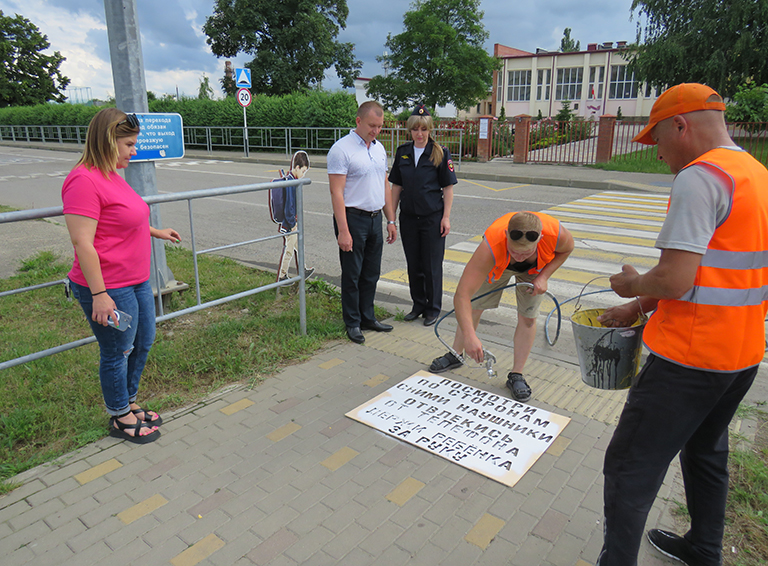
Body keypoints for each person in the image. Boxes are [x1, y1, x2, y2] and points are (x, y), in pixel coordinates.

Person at [594, 83, 768, 566]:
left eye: (658, 142)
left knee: (630, 467)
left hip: (688, 360)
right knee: (706, 453)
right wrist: (640, 308)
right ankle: (704, 549)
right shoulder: (756, 174)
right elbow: (716, 270)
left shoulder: (700, 178)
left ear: (681, 125)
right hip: (742, 355)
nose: (659, 155)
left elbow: (674, 277)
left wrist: (631, 287)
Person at [62, 108, 181, 444]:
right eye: (128, 144)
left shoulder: (112, 175)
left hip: (137, 279)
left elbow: (125, 218)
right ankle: (119, 415)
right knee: (118, 350)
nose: (134, 150)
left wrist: (156, 232)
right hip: (108, 287)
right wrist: (100, 295)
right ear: (107, 140)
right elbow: (82, 242)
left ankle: (129, 401)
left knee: (143, 340)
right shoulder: (83, 180)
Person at [429, 211, 573, 401]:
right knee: (474, 306)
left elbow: (567, 250)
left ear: (540, 239)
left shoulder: (557, 235)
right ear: (506, 236)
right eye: (514, 251)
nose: (520, 258)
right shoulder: (490, 245)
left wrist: (544, 276)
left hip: (536, 270)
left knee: (528, 318)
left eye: (526, 252)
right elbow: (462, 295)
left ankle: (516, 375)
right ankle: (457, 354)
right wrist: (471, 337)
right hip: (498, 263)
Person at [328, 101, 397, 344]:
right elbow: (336, 193)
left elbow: (384, 185)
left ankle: (368, 317)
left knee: (371, 273)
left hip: (374, 218)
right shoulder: (341, 150)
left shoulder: (379, 149)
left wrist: (391, 219)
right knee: (352, 274)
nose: (376, 131)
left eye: (380, 126)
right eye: (371, 125)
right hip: (352, 218)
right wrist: (343, 231)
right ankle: (353, 322)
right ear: (358, 121)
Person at [389, 105, 457, 326]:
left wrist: (445, 218)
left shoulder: (440, 152)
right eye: (415, 129)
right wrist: (391, 218)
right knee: (413, 264)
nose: (419, 134)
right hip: (408, 218)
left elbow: (448, 189)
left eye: (424, 129)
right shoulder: (403, 152)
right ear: (410, 130)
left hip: (432, 219)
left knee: (431, 265)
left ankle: (433, 309)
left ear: (430, 130)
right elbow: (396, 187)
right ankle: (418, 305)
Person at [269, 150, 314, 282]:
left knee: (298, 246)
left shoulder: (291, 180)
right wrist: (293, 224)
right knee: (289, 250)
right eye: (303, 171)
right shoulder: (290, 183)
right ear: (297, 167)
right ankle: (282, 276)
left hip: (289, 222)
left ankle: (303, 269)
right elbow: (289, 206)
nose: (303, 174)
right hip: (289, 224)